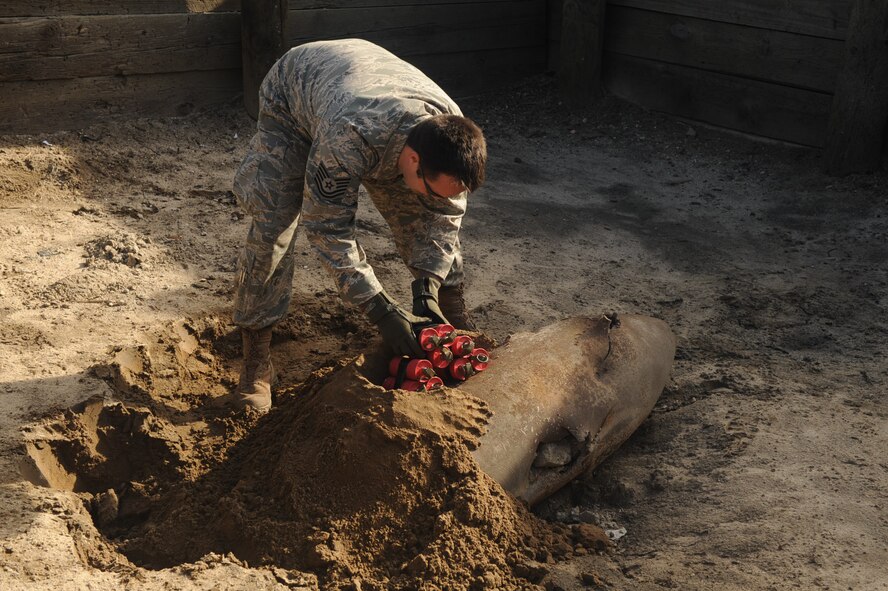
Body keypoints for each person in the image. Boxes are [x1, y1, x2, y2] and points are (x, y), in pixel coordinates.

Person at [229, 39, 488, 412]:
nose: (441, 199)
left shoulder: (449, 134)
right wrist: (379, 308)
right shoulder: (349, 137)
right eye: (435, 189)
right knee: (274, 226)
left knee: (427, 218)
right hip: (294, 95)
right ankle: (256, 361)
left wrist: (427, 287)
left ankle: (453, 316)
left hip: (364, 86)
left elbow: (443, 219)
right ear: (413, 161)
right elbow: (328, 230)